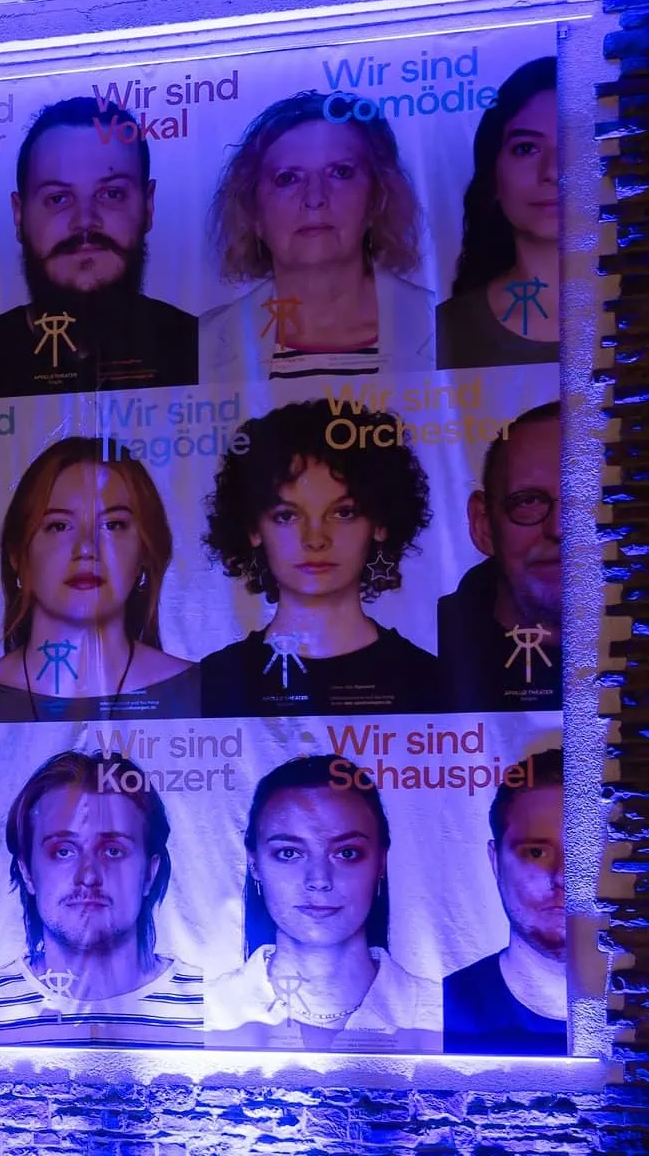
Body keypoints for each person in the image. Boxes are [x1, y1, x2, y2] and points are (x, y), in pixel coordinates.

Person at [197, 401, 445, 716]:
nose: (315, 540)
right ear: (253, 528)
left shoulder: (431, 683)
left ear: (380, 523)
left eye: (343, 513)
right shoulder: (212, 684)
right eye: (287, 516)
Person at [199, 92, 437, 387]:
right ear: (254, 214)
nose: (314, 198)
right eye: (287, 178)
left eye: (340, 172)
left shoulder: (444, 329)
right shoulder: (201, 345)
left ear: (377, 199)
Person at [0, 97, 205, 394]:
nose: (84, 221)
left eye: (111, 194)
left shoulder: (198, 349)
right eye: (58, 198)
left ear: (148, 206)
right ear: (19, 214)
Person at [205, 756, 439, 1050]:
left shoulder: (443, 1015)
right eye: (289, 853)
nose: (319, 880)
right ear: (254, 864)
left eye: (347, 853)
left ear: (381, 861)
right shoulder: (204, 1012)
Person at [0, 750, 203, 1043]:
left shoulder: (212, 1004)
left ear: (149, 872)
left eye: (113, 850)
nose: (88, 876)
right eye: (63, 851)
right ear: (27, 872)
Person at [0, 437, 197, 719]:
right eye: (58, 526)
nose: (86, 548)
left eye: (113, 525)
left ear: (145, 551)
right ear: (17, 555)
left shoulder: (200, 690)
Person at [438, 58, 566, 368]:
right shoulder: (442, 331)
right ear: (493, 175)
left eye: (576, 144)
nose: (552, 171)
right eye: (526, 149)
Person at [443, 747, 571, 1053]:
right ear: (495, 862)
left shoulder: (648, 1002)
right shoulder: (438, 1008)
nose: (562, 876)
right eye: (536, 852)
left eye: (583, 851)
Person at [440, 404, 567, 712]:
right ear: (483, 525)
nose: (560, 528)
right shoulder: (422, 665)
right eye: (529, 501)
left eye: (586, 498)